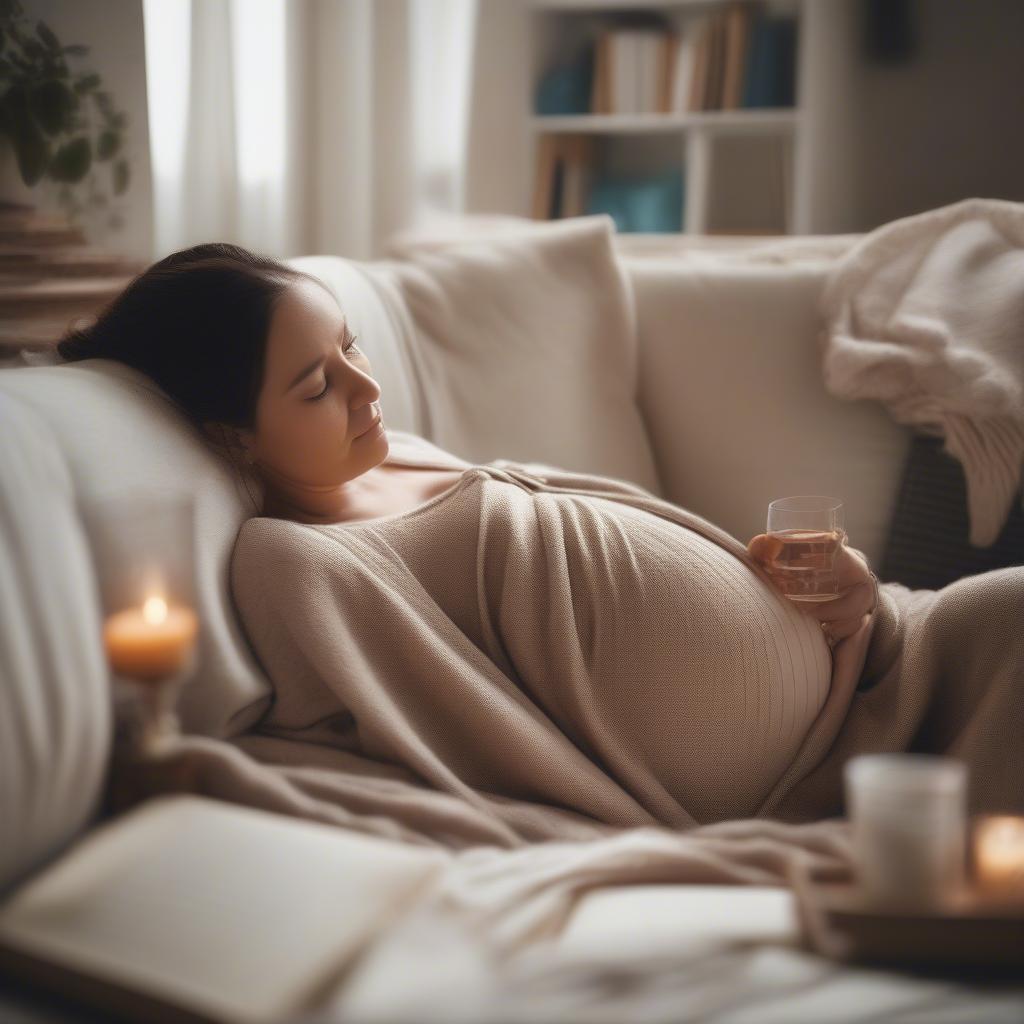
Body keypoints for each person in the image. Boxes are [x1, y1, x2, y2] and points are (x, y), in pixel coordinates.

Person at [58, 241, 882, 828]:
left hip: (872, 669)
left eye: (351, 346)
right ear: (235, 436)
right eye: (317, 386)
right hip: (786, 778)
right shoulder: (294, 557)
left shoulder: (397, 451)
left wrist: (807, 590)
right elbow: (421, 737)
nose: (367, 386)